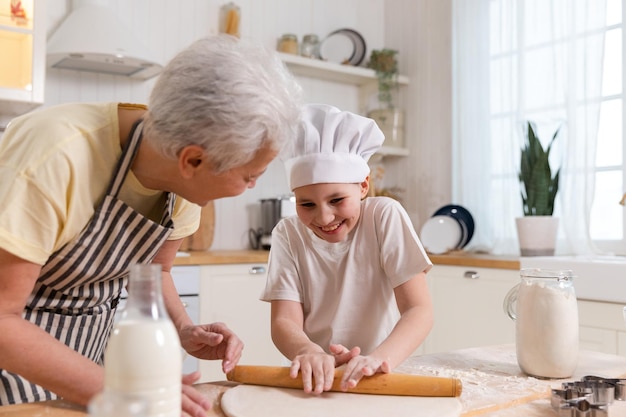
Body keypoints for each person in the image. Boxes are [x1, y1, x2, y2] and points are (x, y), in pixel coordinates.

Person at [0, 34, 302, 416]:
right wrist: (121, 389)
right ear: (192, 161)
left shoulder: (184, 184)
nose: (251, 188)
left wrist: (185, 329)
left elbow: (154, 274)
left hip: (89, 371)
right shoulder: (56, 154)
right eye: (249, 177)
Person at [261, 103, 434, 395]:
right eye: (306, 204)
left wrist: (378, 359)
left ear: (363, 185)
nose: (324, 217)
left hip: (384, 374)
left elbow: (419, 309)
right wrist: (308, 351)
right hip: (316, 380)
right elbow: (283, 321)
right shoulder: (288, 234)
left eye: (337, 200)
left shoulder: (383, 217)